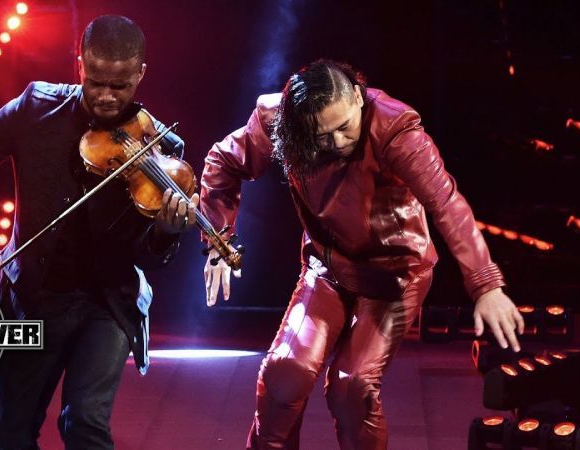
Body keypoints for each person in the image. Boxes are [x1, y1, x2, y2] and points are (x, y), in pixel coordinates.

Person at [200, 59, 524, 450]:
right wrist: (218, 239)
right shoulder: (279, 119)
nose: (337, 142)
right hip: (327, 268)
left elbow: (446, 203)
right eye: (323, 136)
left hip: (395, 277)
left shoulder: (395, 130)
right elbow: (224, 161)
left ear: (357, 95)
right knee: (284, 374)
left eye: (343, 127)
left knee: (351, 389)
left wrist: (485, 283)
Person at [0, 15, 198, 450]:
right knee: (8, 435)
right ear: (79, 66)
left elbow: (149, 254)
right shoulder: (35, 108)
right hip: (32, 298)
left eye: (121, 86)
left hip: (107, 303)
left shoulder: (162, 151)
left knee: (86, 424)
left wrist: (166, 232)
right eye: (96, 82)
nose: (107, 97)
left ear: (141, 74)